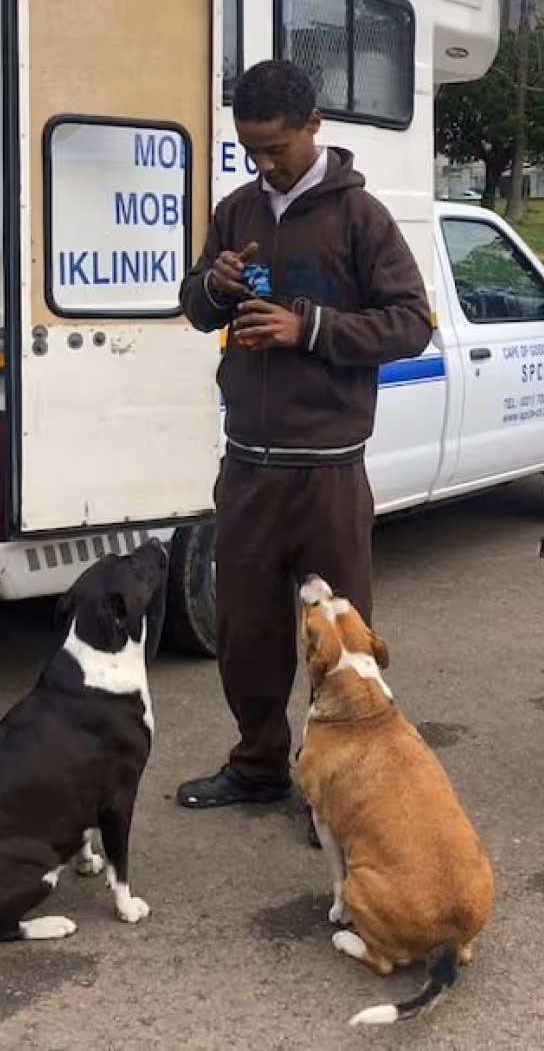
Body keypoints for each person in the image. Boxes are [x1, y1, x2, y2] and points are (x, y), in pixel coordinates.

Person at [176, 60, 433, 812]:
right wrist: (214, 287)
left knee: (343, 643)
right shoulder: (234, 211)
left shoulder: (362, 218)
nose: (263, 163)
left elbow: (411, 323)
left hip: (328, 471)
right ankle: (258, 769)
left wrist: (308, 326)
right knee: (246, 633)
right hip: (249, 467)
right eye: (250, 148)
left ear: (314, 125)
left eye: (275, 147)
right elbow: (196, 307)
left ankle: (344, 787)